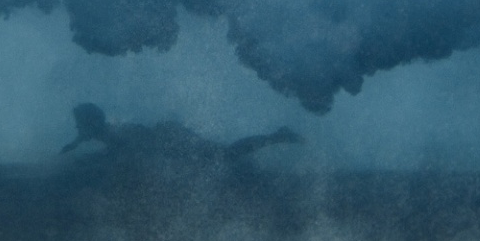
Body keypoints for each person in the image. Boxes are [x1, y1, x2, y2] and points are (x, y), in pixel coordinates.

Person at [60, 102, 300, 161]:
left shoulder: (110, 133)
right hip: (168, 137)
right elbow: (86, 136)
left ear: (91, 122)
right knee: (224, 155)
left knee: (226, 155)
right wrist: (73, 144)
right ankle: (277, 136)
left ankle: (278, 136)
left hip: (170, 140)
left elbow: (129, 149)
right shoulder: (99, 131)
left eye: (79, 123)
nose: (77, 128)